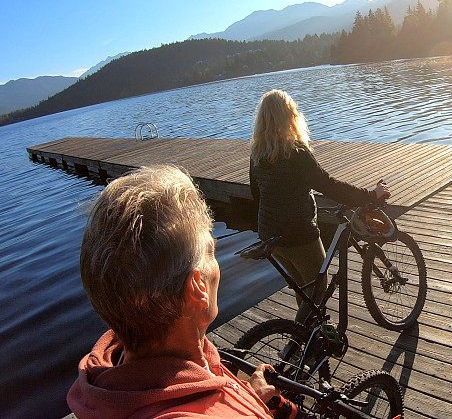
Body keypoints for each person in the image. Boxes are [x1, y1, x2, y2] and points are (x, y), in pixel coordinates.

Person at [68, 165, 297, 418]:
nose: (216, 263)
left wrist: (250, 399)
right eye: (211, 252)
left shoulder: (102, 384)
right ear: (197, 288)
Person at [249, 89, 389, 323]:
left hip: (270, 236)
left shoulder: (257, 155)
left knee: (304, 291)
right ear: (290, 116)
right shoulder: (296, 153)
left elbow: (257, 195)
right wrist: (371, 195)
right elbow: (330, 186)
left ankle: (309, 340)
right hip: (299, 235)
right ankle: (295, 344)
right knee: (318, 289)